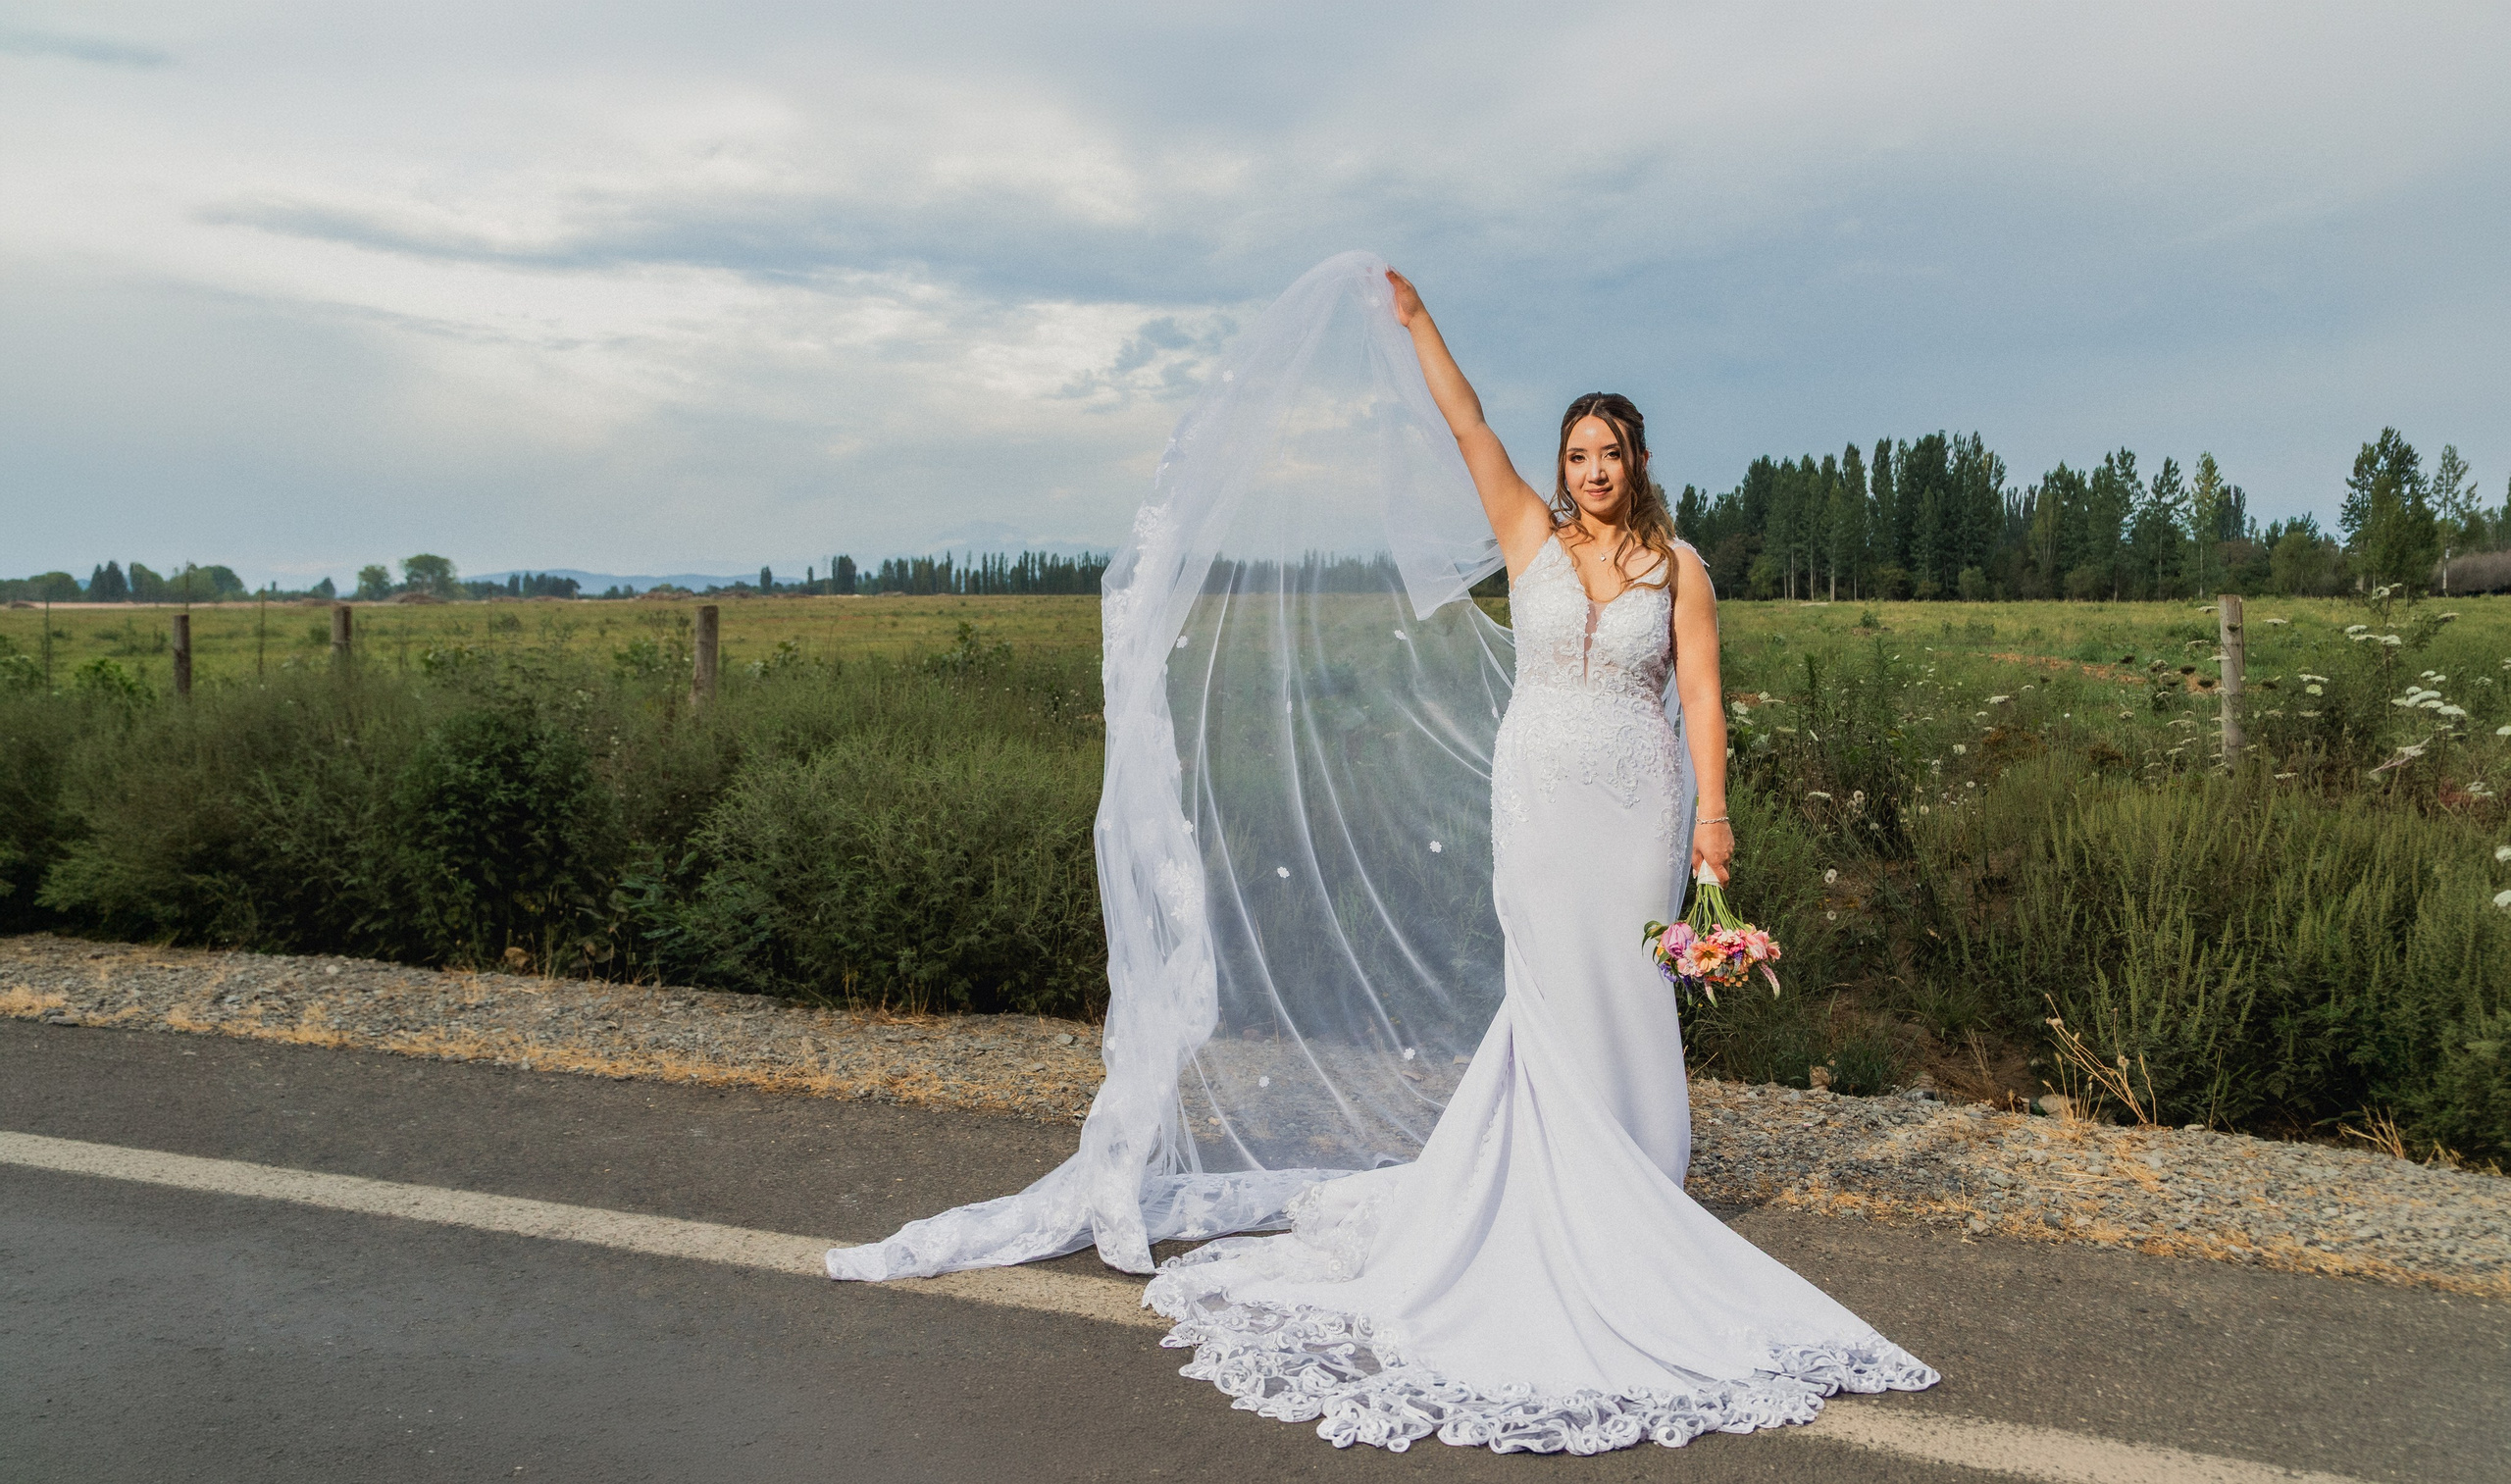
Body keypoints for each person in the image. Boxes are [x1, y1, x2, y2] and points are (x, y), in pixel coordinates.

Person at [1138, 270, 1939, 1454]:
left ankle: (1636, 1175)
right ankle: (1548, 1189)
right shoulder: (1527, 534)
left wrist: (1714, 817)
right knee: (1551, 987)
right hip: (1537, 803)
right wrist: (1419, 325)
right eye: (1577, 454)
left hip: (1639, 805)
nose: (1592, 470)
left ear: (1638, 461)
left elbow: (1701, 695)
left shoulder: (1681, 570)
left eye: (1609, 453)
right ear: (1561, 467)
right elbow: (1467, 425)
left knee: (1628, 984)